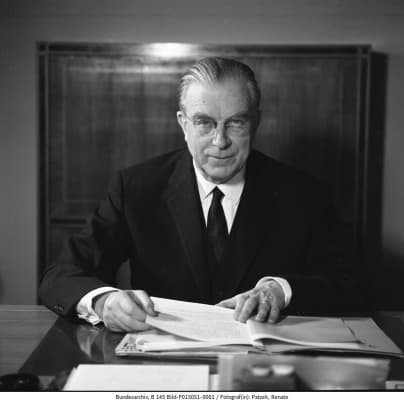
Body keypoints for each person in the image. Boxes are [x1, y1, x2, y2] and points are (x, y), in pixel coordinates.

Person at [39, 57, 360, 332]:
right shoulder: (136, 187)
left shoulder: (304, 194)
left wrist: (282, 290)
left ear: (256, 123)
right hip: (161, 363)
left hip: (262, 364)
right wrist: (103, 301)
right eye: (205, 123)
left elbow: (351, 284)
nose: (220, 142)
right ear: (184, 124)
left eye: (235, 123)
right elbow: (61, 275)